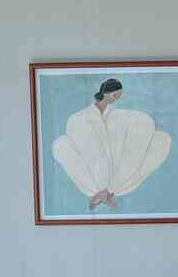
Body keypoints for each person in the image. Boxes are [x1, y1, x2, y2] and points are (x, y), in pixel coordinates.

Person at [53, 78, 171, 210]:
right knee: (60, 145)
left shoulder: (120, 116)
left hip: (117, 177)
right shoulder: (78, 119)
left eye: (119, 96)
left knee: (161, 140)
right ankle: (104, 192)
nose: (116, 99)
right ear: (106, 93)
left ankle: (106, 192)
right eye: (115, 95)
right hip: (95, 176)